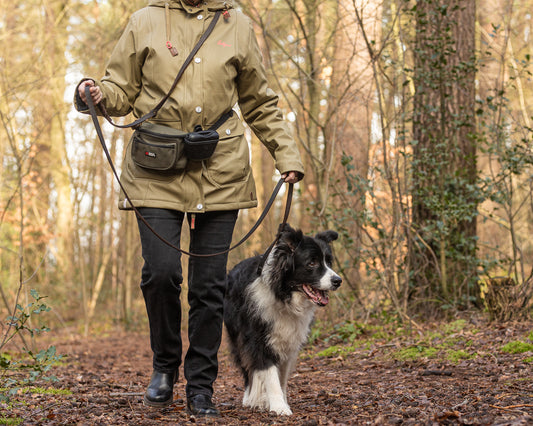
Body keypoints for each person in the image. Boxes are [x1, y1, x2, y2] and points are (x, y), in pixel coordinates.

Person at [74, 0, 304, 418]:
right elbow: (120, 90)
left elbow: (259, 101)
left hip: (221, 170)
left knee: (209, 286)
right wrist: (95, 92)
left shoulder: (237, 24)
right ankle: (164, 366)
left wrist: (287, 155)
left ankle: (201, 385)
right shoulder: (145, 20)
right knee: (161, 274)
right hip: (154, 169)